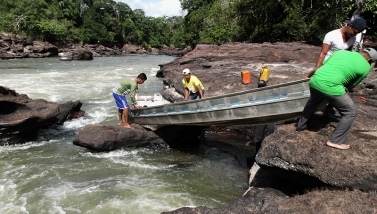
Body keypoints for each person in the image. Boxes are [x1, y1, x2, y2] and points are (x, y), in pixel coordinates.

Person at [296, 48, 377, 150]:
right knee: (351, 112)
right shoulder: (366, 66)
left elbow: (320, 67)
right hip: (331, 87)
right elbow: (351, 86)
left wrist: (308, 76)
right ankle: (336, 141)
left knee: (313, 101)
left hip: (315, 80)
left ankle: (301, 125)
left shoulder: (341, 52)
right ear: (369, 59)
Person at [305, 17, 367, 119]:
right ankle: (311, 113)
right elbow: (323, 53)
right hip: (327, 65)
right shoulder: (331, 35)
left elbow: (348, 53)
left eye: (357, 33)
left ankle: (328, 111)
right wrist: (316, 69)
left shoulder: (353, 38)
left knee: (339, 90)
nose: (355, 35)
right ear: (350, 26)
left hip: (339, 68)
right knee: (320, 90)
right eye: (354, 32)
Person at [253, 80, 276, 153]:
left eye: (263, 87)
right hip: (262, 116)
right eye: (260, 87)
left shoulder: (270, 94)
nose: (262, 89)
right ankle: (257, 153)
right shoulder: (256, 95)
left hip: (270, 116)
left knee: (271, 132)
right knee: (259, 135)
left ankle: (269, 151)